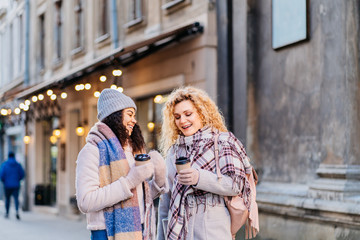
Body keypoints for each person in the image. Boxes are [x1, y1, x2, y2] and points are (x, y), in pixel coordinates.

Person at [157, 86, 257, 240]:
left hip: (213, 229)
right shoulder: (174, 151)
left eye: (188, 114)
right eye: (177, 117)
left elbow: (237, 184)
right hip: (179, 231)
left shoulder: (223, 142)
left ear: (202, 113)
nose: (182, 121)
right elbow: (166, 200)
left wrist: (199, 178)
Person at [76, 88, 167, 240]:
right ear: (115, 116)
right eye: (129, 114)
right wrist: (130, 180)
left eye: (134, 115)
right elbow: (86, 201)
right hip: (106, 232)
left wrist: (158, 181)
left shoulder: (132, 150)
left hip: (140, 229)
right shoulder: (92, 151)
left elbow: (138, 197)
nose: (134, 120)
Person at [0, 152, 25, 220]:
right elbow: (22, 174)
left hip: (7, 185)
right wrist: (17, 180)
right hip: (16, 185)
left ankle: (7, 213)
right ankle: (17, 212)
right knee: (16, 199)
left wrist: (4, 181)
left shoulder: (5, 165)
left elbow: (1, 175)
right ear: (14, 156)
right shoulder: (18, 165)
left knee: (7, 199)